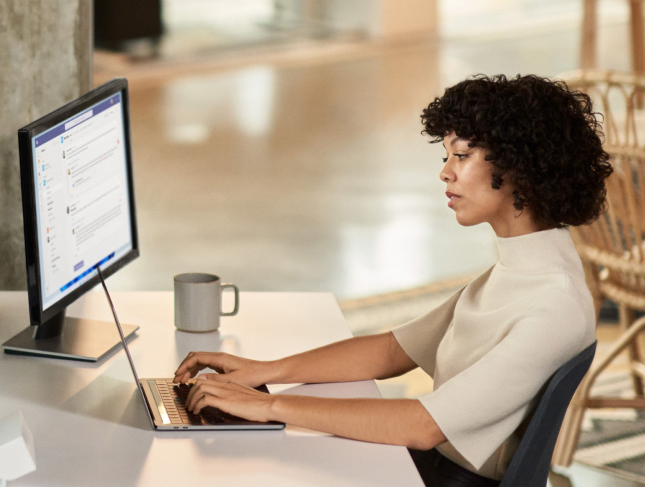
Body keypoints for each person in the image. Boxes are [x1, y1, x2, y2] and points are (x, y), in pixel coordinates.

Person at [174, 74, 613, 486]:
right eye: (447, 156)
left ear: (521, 166)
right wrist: (265, 372)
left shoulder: (553, 303)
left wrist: (267, 405)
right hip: (431, 466)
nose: (445, 172)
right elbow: (391, 350)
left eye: (461, 155)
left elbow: (422, 425)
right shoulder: (523, 268)